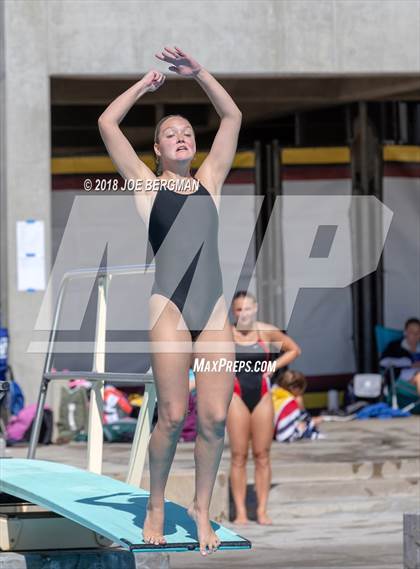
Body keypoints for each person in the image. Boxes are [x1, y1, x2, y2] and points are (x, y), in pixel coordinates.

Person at [98, 46, 241, 556]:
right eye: (169, 134)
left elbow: (232, 115)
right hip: (171, 311)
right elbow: (108, 123)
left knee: (215, 419)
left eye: (187, 133)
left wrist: (200, 72)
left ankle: (202, 507)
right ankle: (156, 501)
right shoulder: (145, 185)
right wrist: (145, 85)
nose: (181, 137)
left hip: (216, 310)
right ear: (157, 149)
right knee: (173, 414)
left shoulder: (210, 182)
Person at [227, 291, 301, 525]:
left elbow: (294, 349)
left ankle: (261, 510)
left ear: (255, 308)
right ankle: (239, 511)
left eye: (247, 309)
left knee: (262, 455)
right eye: (239, 310)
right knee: (238, 455)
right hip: (236, 395)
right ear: (233, 312)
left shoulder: (266, 331)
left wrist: (273, 365)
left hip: (261, 395)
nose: (244, 314)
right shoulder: (226, 334)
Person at [379, 318, 420, 410]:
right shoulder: (395, 346)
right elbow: (383, 362)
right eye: (411, 332)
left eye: (418, 332)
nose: (415, 335)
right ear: (405, 332)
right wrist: (409, 363)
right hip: (402, 381)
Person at [272, 369, 323, 443]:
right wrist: (313, 421)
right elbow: (303, 418)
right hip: (282, 432)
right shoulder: (294, 400)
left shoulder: (274, 393)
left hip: (270, 430)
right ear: (295, 389)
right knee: (307, 425)